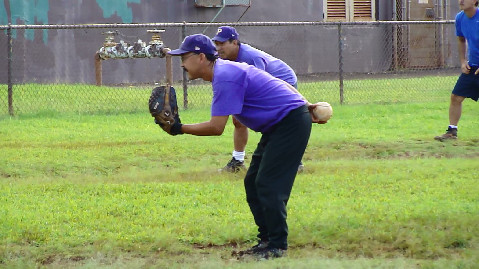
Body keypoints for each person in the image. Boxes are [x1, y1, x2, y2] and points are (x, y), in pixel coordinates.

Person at [165, 34, 327, 259]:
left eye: (184, 56)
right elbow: (272, 81)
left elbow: (216, 127)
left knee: (268, 184)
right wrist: (305, 103)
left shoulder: (224, 76)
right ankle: (266, 239)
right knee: (253, 183)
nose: (181, 63)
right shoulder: (223, 71)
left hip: (289, 123)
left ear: (201, 57)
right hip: (280, 124)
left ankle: (277, 245)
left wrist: (178, 128)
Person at [211, 26, 303, 173]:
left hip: (283, 80)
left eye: (222, 43)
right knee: (238, 120)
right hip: (267, 83)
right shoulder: (226, 58)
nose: (219, 48)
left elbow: (263, 82)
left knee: (281, 121)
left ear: (235, 43)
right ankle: (238, 161)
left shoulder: (249, 58)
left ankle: (295, 161)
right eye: (217, 44)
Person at [435, 0, 479, 141]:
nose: (461, 1)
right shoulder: (460, 17)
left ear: (475, 1)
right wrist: (462, 61)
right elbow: (461, 40)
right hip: (472, 66)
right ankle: (451, 131)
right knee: (456, 97)